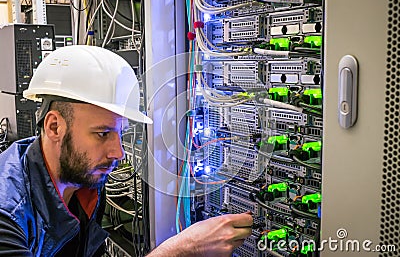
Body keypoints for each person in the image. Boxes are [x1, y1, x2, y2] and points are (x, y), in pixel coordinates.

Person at [0, 45, 253, 256]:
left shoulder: (81, 183)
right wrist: (182, 249)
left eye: (121, 134)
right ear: (54, 126)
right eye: (102, 133)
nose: (118, 152)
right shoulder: (7, 216)